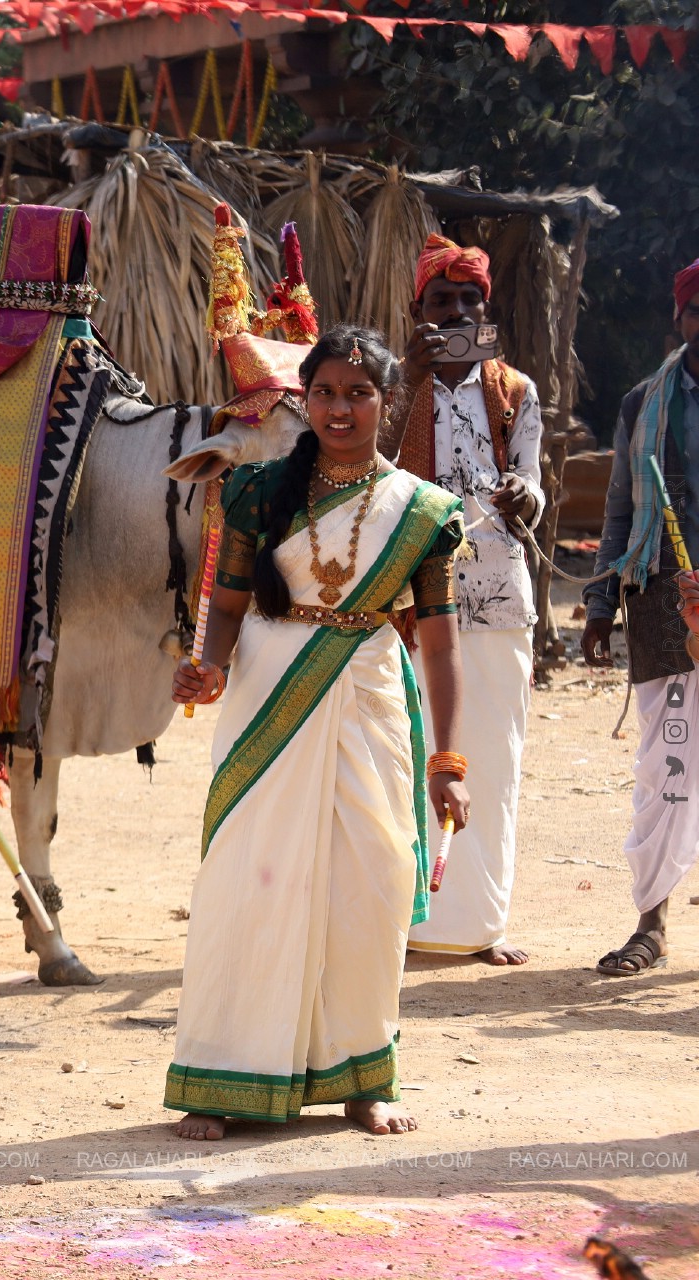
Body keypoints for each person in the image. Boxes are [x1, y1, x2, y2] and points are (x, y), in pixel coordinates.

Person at [167, 324, 468, 1141]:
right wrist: (210, 667)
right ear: (306, 400)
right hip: (268, 689)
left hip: (369, 692)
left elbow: (440, 644)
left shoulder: (425, 514)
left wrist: (447, 760)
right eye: (326, 392)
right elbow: (226, 607)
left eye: (359, 393)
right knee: (252, 877)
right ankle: (220, 1077)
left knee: (369, 882)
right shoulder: (259, 490)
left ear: (387, 401)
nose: (341, 408)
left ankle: (363, 1078)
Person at [383, 234, 543, 967]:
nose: (456, 311)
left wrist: (524, 496)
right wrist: (405, 382)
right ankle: (409, 920)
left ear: (486, 307)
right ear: (418, 309)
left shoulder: (516, 392)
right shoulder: (389, 385)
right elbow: (368, 470)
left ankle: (480, 926)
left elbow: (533, 484)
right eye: (441, 300)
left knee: (493, 760)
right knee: (413, 754)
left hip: (498, 596)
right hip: (411, 600)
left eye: (469, 299)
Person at [582, 257, 699, 976]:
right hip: (663, 602)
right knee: (668, 762)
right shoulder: (641, 405)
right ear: (679, 317)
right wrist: (599, 605)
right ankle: (651, 923)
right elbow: (620, 511)